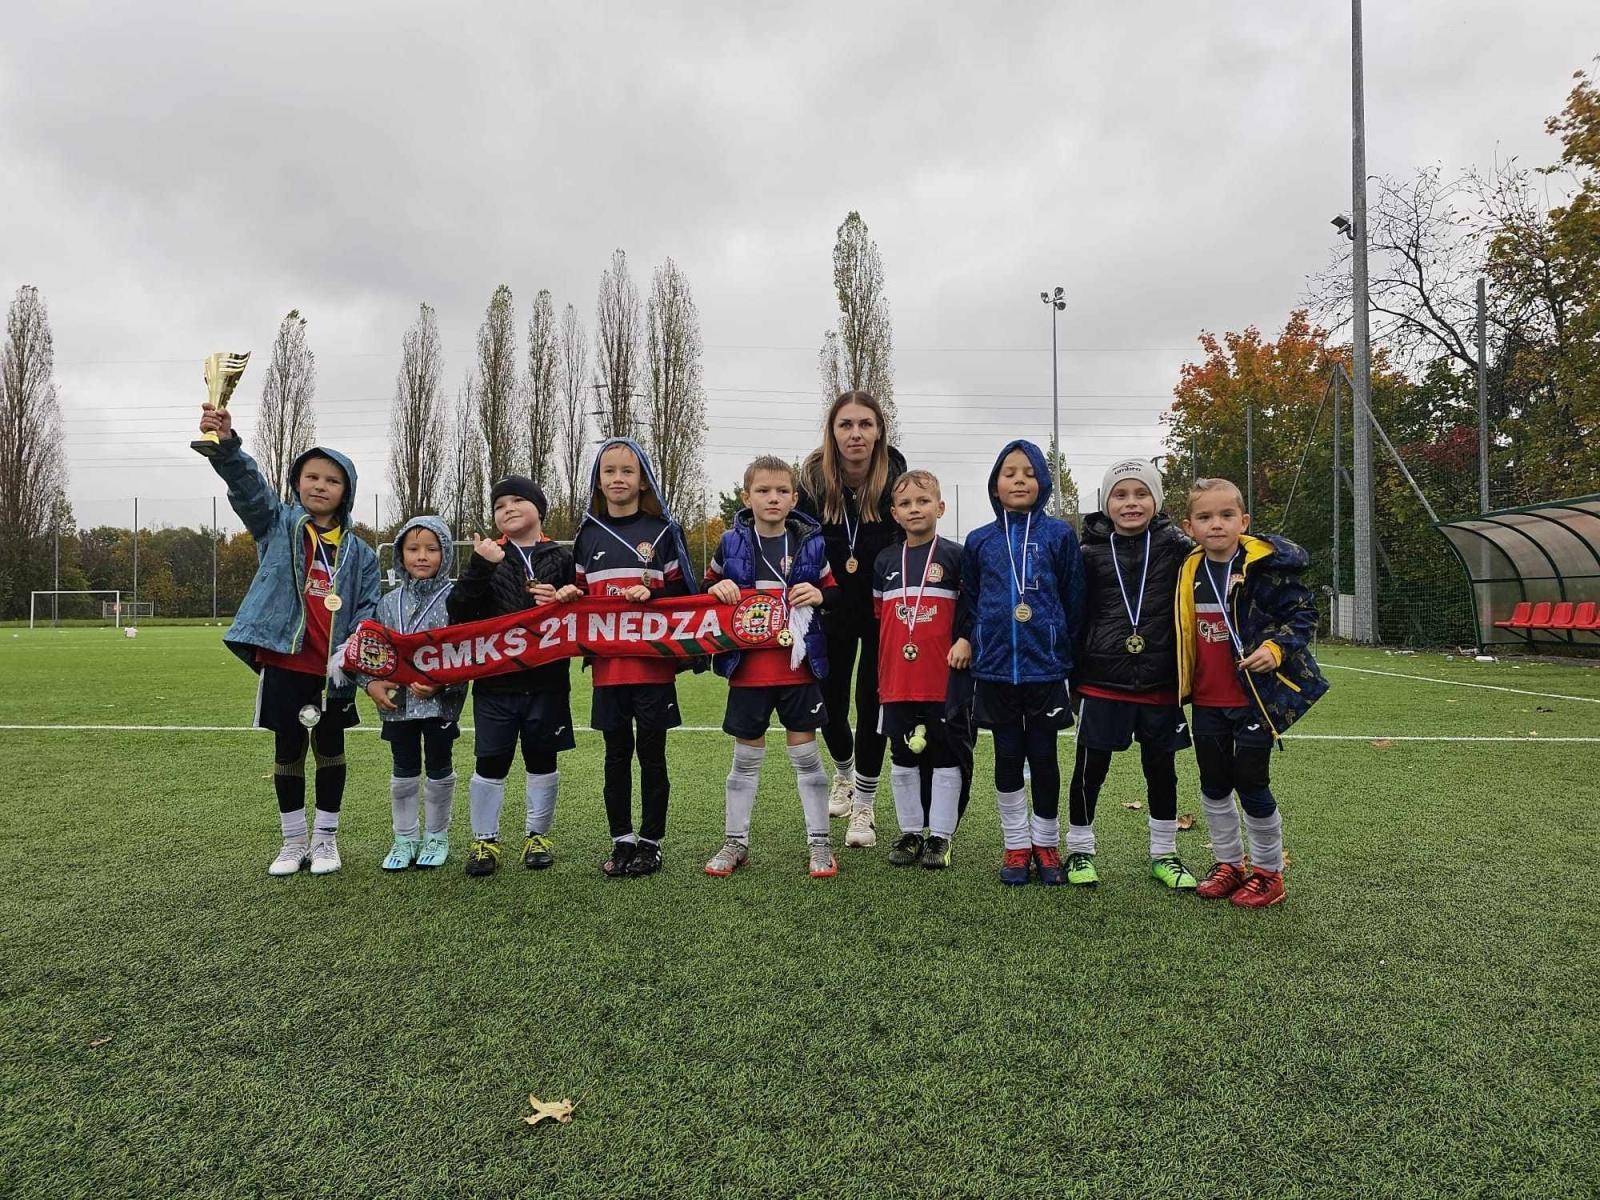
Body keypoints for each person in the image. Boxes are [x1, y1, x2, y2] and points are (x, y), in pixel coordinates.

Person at [196, 401, 380, 877]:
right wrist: (227, 447)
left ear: (346, 491)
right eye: (311, 477)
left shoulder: (360, 553)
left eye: (332, 480)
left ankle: (326, 840)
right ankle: (293, 841)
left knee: (331, 750)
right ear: (297, 483)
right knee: (288, 750)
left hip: (333, 670)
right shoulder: (277, 525)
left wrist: (353, 658)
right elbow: (249, 489)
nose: (320, 485)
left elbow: (367, 610)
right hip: (285, 662)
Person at [1177, 477, 1329, 908]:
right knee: (1213, 784)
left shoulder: (1265, 567)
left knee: (1251, 782)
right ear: (1189, 527)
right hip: (1206, 699)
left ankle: (1268, 872)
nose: (1216, 524)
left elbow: (1304, 613)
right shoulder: (1187, 569)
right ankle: (1229, 864)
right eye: (1205, 517)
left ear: (1244, 521)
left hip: (1255, 699)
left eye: (1226, 515)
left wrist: (1276, 648)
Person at [555, 438, 698, 878]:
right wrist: (570, 594)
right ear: (597, 481)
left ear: (643, 480)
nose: (618, 479)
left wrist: (652, 592)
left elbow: (684, 595)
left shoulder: (663, 531)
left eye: (627, 471)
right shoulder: (587, 534)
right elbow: (580, 594)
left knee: (652, 755)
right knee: (615, 756)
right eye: (609, 471)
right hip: (607, 669)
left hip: (652, 668)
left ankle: (651, 843)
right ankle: (621, 839)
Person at [702, 456, 840, 879]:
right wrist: (718, 587)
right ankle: (735, 842)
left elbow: (834, 594)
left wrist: (819, 596)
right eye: (763, 491)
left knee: (806, 757)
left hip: (797, 668)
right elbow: (705, 590)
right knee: (744, 760)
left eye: (782, 491)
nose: (773, 498)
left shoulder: (811, 543)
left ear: (794, 498)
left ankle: (820, 843)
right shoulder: (730, 542)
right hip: (748, 670)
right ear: (747, 497)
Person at [1067, 459, 1198, 889]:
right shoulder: (1087, 552)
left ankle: (1165, 854)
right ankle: (1079, 850)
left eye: (1141, 493)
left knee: (1161, 770)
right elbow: (1074, 613)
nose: (1131, 503)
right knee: (1090, 769)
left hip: (1159, 677)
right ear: (1106, 502)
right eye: (1120, 494)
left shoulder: (1178, 547)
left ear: (1156, 500)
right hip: (1102, 677)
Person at [959, 440, 1086, 885]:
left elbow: (1074, 599)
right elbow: (971, 600)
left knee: (1045, 757)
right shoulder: (980, 540)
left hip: (1045, 667)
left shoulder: (1060, 535)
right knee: (1008, 755)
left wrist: (1065, 654)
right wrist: (971, 639)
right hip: (996, 668)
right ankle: (1015, 845)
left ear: (1044, 482)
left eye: (1029, 473)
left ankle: (1046, 844)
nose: (1019, 480)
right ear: (995, 483)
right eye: (1009, 473)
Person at [446, 476, 575, 877]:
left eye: (518, 500)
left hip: (547, 682)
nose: (508, 509)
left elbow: (581, 612)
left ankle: (538, 836)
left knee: (542, 759)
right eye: (500, 505)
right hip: (495, 682)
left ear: (540, 508)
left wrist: (564, 598)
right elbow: (459, 611)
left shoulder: (561, 557)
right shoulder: (488, 555)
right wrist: (481, 566)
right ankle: (485, 840)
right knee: (491, 761)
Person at [796, 390, 906, 849]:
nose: (856, 433)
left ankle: (865, 804)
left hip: (880, 610)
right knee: (829, 705)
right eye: (846, 424)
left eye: (865, 424)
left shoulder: (896, 479)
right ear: (832, 431)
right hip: (829, 606)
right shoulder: (811, 483)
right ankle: (844, 773)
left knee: (873, 703)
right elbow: (791, 541)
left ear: (879, 431)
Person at [358, 516, 467, 871]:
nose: (422, 556)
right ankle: (404, 838)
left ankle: (437, 836)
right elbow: (370, 649)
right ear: (400, 555)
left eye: (432, 549)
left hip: (440, 705)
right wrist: (370, 683)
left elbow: (467, 653)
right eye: (413, 549)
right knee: (403, 768)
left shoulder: (457, 601)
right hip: (398, 705)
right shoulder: (387, 603)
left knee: (439, 766)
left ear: (445, 554)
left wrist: (442, 683)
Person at [873, 470, 967, 870]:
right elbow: (880, 617)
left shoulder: (955, 556)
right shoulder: (885, 560)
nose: (915, 509)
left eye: (923, 501)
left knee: (945, 754)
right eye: (906, 503)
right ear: (895, 513)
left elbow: (969, 611)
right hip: (897, 680)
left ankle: (941, 836)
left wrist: (966, 641)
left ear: (940, 507)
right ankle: (911, 831)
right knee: (902, 756)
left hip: (942, 679)